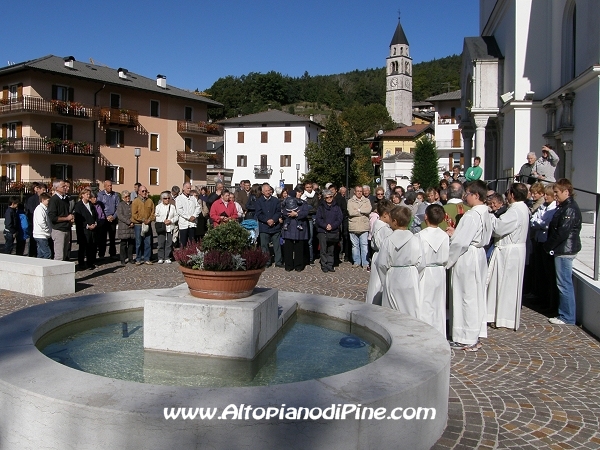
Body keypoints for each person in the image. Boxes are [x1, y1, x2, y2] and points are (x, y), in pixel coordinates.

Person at [446, 180, 492, 352]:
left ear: (476, 195)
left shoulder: (472, 215)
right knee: (475, 295)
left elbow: (460, 243)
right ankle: (474, 335)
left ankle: (466, 337)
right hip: (478, 254)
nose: (465, 196)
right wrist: (456, 233)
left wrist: (447, 260)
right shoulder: (485, 212)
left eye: (468, 193)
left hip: (467, 257)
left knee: (466, 296)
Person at [486, 183, 530, 330]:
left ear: (512, 195)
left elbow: (499, 228)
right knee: (505, 285)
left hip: (509, 253)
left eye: (508, 193)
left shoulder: (515, 211)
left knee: (505, 286)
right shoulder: (521, 208)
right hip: (513, 251)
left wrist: (489, 216)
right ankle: (496, 315)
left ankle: (503, 319)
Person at [544, 178, 581, 325]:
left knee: (564, 284)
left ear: (566, 192)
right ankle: (565, 314)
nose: (555, 195)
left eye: (557, 192)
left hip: (565, 249)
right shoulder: (565, 207)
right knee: (563, 283)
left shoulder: (569, 208)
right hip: (563, 248)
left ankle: (567, 316)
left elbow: (562, 232)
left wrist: (548, 246)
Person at [374, 206, 423, 316]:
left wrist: (385, 280)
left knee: (392, 312)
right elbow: (421, 263)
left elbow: (381, 264)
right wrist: (415, 276)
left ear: (395, 222)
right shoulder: (415, 239)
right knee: (411, 310)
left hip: (393, 277)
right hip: (411, 278)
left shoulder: (388, 241)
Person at [417, 204, 449, 337]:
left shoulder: (420, 235)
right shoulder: (445, 236)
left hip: (425, 272)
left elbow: (418, 257)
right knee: (438, 303)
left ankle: (424, 332)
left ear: (425, 217)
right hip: (440, 271)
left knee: (424, 302)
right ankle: (439, 332)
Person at [529, 184, 558, 312]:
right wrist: (538, 223)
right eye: (544, 194)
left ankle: (548, 301)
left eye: (547, 195)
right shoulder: (542, 206)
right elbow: (533, 221)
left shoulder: (554, 208)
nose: (545, 197)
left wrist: (539, 223)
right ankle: (540, 297)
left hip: (546, 241)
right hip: (538, 240)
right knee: (539, 271)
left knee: (547, 274)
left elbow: (546, 224)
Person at [365, 199, 393, 305]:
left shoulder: (380, 225)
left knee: (376, 285)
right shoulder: (383, 229)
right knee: (378, 285)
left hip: (378, 256)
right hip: (381, 257)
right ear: (385, 214)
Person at [255, 183, 283, 268]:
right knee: (264, 246)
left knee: (277, 245)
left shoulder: (275, 200)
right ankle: (267, 262)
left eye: (269, 190)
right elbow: (259, 214)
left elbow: (278, 212)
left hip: (275, 226)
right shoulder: (259, 201)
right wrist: (267, 220)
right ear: (263, 192)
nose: (268, 192)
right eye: (266, 191)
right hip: (264, 226)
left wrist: (273, 220)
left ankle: (278, 262)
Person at [315, 189, 343, 273]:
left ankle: (330, 265)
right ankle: (324, 265)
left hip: (333, 231)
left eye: (330, 197)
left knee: (331, 249)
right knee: (323, 249)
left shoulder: (337, 207)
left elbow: (339, 218)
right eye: (327, 197)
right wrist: (325, 225)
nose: (329, 198)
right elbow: (318, 219)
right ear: (324, 198)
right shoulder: (321, 207)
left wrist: (333, 226)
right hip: (323, 231)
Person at [281, 191, 309, 272]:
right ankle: (288, 265)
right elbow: (283, 211)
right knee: (288, 247)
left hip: (300, 227)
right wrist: (290, 214)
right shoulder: (287, 201)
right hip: (289, 227)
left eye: (300, 193)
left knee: (299, 247)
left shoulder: (303, 203)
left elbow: (305, 212)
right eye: (298, 193)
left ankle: (298, 265)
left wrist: (296, 214)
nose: (299, 194)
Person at [47, 179, 74, 261]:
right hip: (58, 230)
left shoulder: (65, 199)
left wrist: (71, 218)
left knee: (65, 254)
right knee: (59, 256)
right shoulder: (54, 200)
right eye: (63, 186)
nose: (66, 188)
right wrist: (67, 218)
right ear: (56, 188)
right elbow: (52, 217)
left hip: (66, 228)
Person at [347, 185, 372, 268]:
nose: (359, 192)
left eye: (360, 191)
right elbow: (351, 212)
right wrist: (362, 212)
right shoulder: (350, 201)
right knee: (355, 246)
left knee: (364, 245)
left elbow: (368, 210)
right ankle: (356, 261)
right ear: (354, 192)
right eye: (357, 191)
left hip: (364, 226)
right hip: (353, 226)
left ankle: (365, 262)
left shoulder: (366, 201)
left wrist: (358, 210)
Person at [73, 188, 98, 270]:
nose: (88, 196)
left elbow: (95, 215)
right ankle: (81, 263)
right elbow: (79, 219)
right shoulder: (78, 205)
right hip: (83, 230)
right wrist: (87, 225)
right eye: (87, 194)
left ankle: (90, 262)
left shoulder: (91, 205)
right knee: (83, 247)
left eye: (89, 194)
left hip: (93, 229)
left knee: (91, 246)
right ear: (82, 195)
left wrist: (95, 223)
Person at [131, 185, 155, 265]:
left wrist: (149, 219)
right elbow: (134, 214)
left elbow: (153, 213)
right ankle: (138, 258)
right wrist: (142, 220)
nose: (144, 192)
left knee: (148, 242)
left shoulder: (150, 201)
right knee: (139, 242)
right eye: (143, 191)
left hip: (147, 224)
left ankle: (147, 258)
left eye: (146, 191)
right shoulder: (135, 201)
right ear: (139, 192)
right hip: (138, 224)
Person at [96, 180, 119, 260]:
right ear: (105, 186)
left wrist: (114, 216)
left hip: (112, 219)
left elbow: (118, 207)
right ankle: (101, 254)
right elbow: (99, 208)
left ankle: (112, 253)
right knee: (103, 238)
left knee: (112, 237)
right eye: (108, 186)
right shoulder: (100, 195)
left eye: (111, 185)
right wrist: (105, 217)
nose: (110, 187)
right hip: (104, 219)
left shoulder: (115, 195)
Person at [155, 191, 178, 264]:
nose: (167, 200)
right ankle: (160, 257)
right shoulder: (158, 207)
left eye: (168, 198)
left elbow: (176, 216)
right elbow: (156, 216)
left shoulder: (172, 207)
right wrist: (163, 221)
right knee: (161, 243)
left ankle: (167, 257)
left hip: (170, 227)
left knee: (169, 243)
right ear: (162, 199)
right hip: (162, 227)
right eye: (165, 198)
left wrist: (170, 221)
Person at [176, 182, 201, 247]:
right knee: (183, 243)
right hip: (184, 224)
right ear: (183, 188)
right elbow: (180, 210)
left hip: (192, 223)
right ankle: (182, 256)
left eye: (190, 188)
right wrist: (188, 217)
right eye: (187, 188)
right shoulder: (179, 198)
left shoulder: (193, 198)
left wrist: (194, 216)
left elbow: (198, 208)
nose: (189, 190)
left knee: (192, 243)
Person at [26, 182, 46, 257]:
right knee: (33, 241)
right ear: (38, 189)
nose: (44, 191)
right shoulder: (32, 199)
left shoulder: (45, 199)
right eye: (43, 190)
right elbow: (30, 211)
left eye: (45, 190)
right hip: (33, 223)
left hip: (42, 224)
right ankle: (32, 254)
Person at [301, 181, 319, 265]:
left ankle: (311, 258)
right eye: (307, 187)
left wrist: (306, 210)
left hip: (310, 219)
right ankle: (304, 257)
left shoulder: (314, 196)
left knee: (310, 240)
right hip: (302, 219)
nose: (309, 189)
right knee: (302, 239)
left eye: (310, 187)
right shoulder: (302, 196)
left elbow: (315, 208)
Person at [116, 190, 135, 265]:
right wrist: (128, 222)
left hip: (132, 227)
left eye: (128, 196)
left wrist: (133, 221)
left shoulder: (132, 204)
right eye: (126, 196)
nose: (128, 198)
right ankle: (122, 259)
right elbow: (120, 215)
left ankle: (130, 258)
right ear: (123, 198)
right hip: (124, 227)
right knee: (123, 244)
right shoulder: (120, 205)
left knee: (131, 244)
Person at [32, 192, 52, 259]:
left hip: (41, 234)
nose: (49, 202)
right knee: (47, 253)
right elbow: (41, 222)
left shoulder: (45, 209)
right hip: (41, 234)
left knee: (40, 253)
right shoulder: (40, 209)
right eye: (48, 200)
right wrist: (48, 230)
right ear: (43, 200)